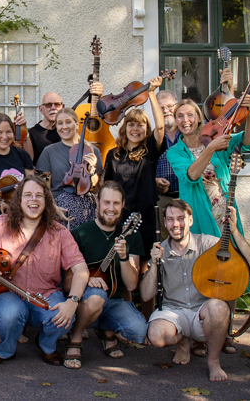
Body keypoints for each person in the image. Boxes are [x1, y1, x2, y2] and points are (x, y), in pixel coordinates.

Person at [166, 93, 250, 354]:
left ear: (199, 118)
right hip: (199, 217)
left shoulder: (220, 139)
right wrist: (210, 148)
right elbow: (192, 174)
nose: (185, 120)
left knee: (232, 270)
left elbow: (248, 142)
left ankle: (225, 332)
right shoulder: (175, 151)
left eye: (190, 115)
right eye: (180, 116)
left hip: (226, 214)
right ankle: (200, 334)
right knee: (202, 273)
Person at [0, 176, 89, 367]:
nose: (33, 200)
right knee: (10, 314)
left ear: (46, 201)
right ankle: (5, 350)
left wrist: (73, 301)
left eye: (39, 196)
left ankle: (47, 345)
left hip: (45, 294)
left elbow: (81, 269)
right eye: (27, 195)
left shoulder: (59, 232)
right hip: (8, 293)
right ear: (19, 200)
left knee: (64, 317)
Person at [142, 200, 250, 382]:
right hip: (175, 312)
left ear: (190, 221)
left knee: (219, 308)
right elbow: (146, 295)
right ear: (165, 223)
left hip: (202, 313)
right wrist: (154, 264)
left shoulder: (208, 243)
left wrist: (234, 231)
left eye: (181, 219)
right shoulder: (160, 250)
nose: (176, 224)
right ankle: (184, 340)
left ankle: (213, 361)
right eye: (170, 220)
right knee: (156, 335)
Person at [67, 182, 148, 369]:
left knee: (138, 330)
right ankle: (76, 336)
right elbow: (67, 282)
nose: (111, 208)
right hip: (86, 299)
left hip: (115, 301)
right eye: (107, 202)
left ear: (123, 204)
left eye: (116, 203)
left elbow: (130, 285)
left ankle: (105, 329)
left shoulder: (132, 236)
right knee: (97, 297)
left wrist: (124, 257)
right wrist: (87, 278)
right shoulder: (80, 233)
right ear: (97, 202)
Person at [102, 76, 165, 317]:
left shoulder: (149, 150)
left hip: (146, 214)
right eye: (131, 124)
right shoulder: (113, 155)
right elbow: (106, 186)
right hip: (121, 217)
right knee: (125, 265)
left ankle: (149, 317)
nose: (136, 129)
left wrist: (151, 93)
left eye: (140, 125)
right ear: (124, 127)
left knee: (147, 266)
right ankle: (128, 315)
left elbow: (160, 127)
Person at [35, 107, 102, 229]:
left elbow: (97, 190)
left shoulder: (92, 150)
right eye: (60, 123)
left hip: (87, 208)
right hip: (59, 208)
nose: (64, 127)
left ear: (77, 124)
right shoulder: (49, 151)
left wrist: (92, 171)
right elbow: (42, 186)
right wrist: (53, 207)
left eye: (68, 122)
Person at [154, 89, 181, 240]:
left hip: (186, 196)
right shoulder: (153, 137)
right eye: (161, 108)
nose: (166, 111)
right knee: (165, 242)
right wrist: (154, 180)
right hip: (162, 198)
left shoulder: (187, 134)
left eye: (170, 106)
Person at [24, 92, 63, 165]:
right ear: (41, 109)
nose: (53, 107)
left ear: (62, 107)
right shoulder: (32, 134)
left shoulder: (65, 132)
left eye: (57, 104)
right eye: (48, 105)